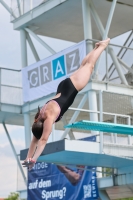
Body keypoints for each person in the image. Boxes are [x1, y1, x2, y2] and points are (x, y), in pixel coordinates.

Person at [22, 38, 110, 169]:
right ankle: (96, 48)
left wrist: (34, 160)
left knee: (90, 66)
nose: (49, 132)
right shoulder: (40, 116)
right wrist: (28, 158)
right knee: (83, 66)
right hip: (63, 86)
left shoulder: (49, 117)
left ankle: (102, 46)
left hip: (72, 87)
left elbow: (43, 140)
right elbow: (34, 140)